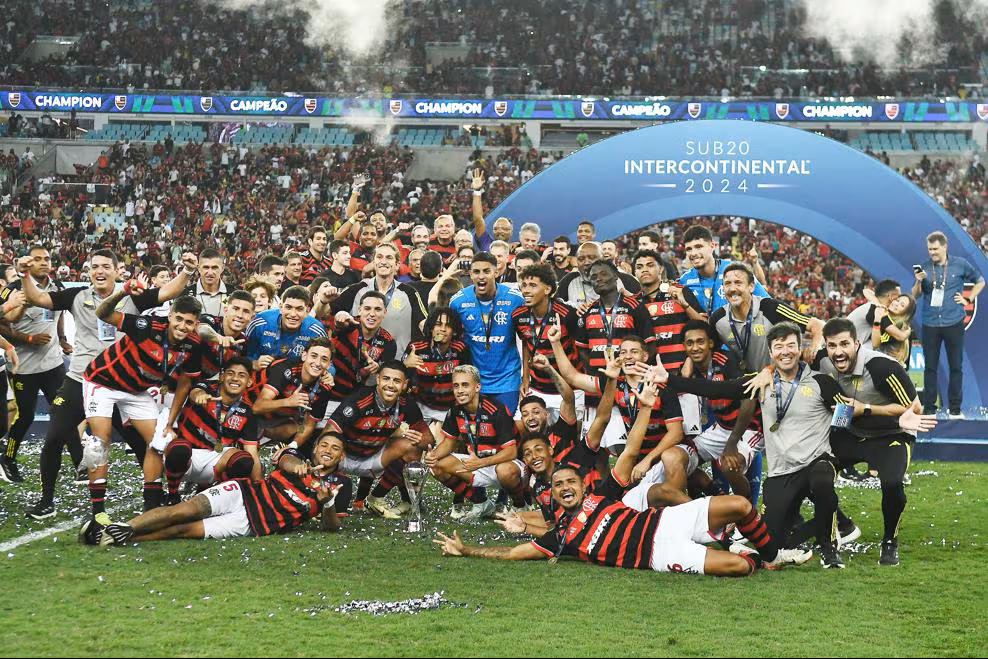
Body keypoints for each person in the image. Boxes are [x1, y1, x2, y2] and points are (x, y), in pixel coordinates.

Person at [661, 322, 935, 569]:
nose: (785, 351)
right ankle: (836, 528)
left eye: (791, 345)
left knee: (825, 480)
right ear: (770, 353)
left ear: (799, 348)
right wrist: (668, 379)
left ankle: (831, 547)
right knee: (774, 544)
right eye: (779, 347)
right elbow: (716, 389)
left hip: (820, 460)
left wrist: (893, 417)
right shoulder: (761, 383)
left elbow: (847, 412)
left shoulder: (821, 381)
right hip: (782, 471)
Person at [23, 250, 194, 519]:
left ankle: (155, 497)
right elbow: (38, 298)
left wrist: (187, 272)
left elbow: (167, 292)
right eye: (94, 267)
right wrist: (24, 274)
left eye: (105, 266)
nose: (99, 271)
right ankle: (46, 500)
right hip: (81, 378)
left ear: (117, 270)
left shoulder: (133, 295)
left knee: (146, 444)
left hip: (124, 383)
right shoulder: (76, 295)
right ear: (88, 271)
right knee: (55, 437)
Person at [435, 463, 782, 578]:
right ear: (553, 494)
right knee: (739, 567)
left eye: (570, 482)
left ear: (583, 486)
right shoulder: (560, 537)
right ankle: (748, 554)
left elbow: (626, 454)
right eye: (558, 485)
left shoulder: (602, 496)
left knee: (739, 504)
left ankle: (770, 556)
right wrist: (467, 550)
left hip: (665, 521)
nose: (565, 488)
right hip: (657, 555)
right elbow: (513, 553)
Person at [85, 435, 349, 545]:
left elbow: (332, 526)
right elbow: (285, 460)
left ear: (341, 457)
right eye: (324, 445)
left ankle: (119, 537)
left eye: (335, 448)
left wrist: (326, 503)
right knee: (183, 511)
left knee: (183, 530)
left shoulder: (340, 484)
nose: (328, 450)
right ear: (315, 448)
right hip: (243, 492)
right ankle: (128, 526)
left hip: (254, 523)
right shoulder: (297, 458)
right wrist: (298, 468)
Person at [815, 318, 926, 565]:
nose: (838, 351)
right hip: (851, 432)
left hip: (891, 434)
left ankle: (890, 541)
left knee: (892, 482)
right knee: (814, 473)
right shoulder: (822, 361)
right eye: (832, 345)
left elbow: (915, 408)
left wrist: (865, 408)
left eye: (844, 344)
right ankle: (840, 528)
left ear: (856, 343)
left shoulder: (882, 367)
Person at [86, 292, 206, 514]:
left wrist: (169, 422)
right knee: (99, 443)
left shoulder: (194, 344)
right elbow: (103, 314)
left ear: (196, 324)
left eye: (189, 322)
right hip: (102, 382)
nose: (182, 326)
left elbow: (184, 383)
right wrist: (123, 291)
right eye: (179, 319)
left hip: (136, 391)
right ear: (170, 316)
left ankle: (151, 505)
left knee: (158, 442)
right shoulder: (147, 326)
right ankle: (98, 513)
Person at [324, 360, 433, 518]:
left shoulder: (407, 405)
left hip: (374, 456)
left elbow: (429, 440)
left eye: (397, 381)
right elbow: (329, 433)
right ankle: (320, 495)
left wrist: (419, 439)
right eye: (386, 379)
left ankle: (375, 498)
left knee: (413, 447)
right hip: (343, 458)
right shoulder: (359, 400)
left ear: (404, 384)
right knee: (325, 446)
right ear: (378, 379)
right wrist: (332, 456)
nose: (390, 385)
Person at [0, 246, 68, 482]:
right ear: (27, 262)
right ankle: (8, 458)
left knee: (63, 411)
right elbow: (1, 324)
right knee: (26, 416)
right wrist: (28, 339)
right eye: (37, 259)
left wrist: (63, 339)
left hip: (53, 364)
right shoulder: (12, 290)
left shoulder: (57, 287)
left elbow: (59, 315)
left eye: (46, 259)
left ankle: (78, 462)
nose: (43, 263)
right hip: (24, 367)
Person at [154, 357, 260, 504]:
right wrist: (199, 396)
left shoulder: (247, 411)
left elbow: (252, 452)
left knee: (244, 460)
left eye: (242, 375)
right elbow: (195, 391)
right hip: (187, 455)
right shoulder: (207, 388)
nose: (235, 378)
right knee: (180, 448)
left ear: (249, 382)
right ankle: (173, 495)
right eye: (230, 373)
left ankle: (206, 492)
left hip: (213, 458)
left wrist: (258, 487)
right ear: (222, 377)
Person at [426, 365, 525, 520]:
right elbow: (449, 443)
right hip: (477, 462)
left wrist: (481, 463)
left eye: (465, 385)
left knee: (505, 471)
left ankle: (520, 505)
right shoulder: (455, 410)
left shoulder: (496, 410)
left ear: (477, 387)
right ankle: (481, 503)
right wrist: (432, 456)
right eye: (456, 386)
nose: (460, 390)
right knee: (437, 466)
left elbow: (511, 452)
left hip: (505, 463)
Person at [911, 230, 984, 417]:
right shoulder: (925, 267)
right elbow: (915, 295)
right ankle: (929, 408)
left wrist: (968, 299)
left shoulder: (960, 264)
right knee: (930, 367)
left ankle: (955, 409)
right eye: (929, 249)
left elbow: (980, 281)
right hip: (930, 323)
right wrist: (918, 283)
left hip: (954, 322)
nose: (932, 253)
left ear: (945, 247)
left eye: (935, 249)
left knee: (956, 367)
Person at [448, 252, 526, 414]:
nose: (481, 276)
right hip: (473, 381)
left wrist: (526, 378)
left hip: (507, 380)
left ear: (496, 272)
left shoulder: (516, 300)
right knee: (478, 426)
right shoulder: (458, 302)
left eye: (486, 271)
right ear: (470, 274)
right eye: (476, 272)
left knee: (503, 424)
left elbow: (527, 340)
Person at [710, 263, 823, 371]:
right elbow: (708, 348)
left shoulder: (770, 308)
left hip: (778, 377)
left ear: (751, 287)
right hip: (744, 380)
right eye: (727, 284)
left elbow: (818, 325)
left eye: (738, 283)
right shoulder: (718, 319)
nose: (732, 289)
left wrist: (813, 348)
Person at [513, 263, 582, 420]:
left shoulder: (567, 314)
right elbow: (526, 344)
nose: (526, 290)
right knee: (521, 426)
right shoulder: (518, 315)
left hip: (570, 388)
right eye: (524, 285)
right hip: (538, 387)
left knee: (570, 431)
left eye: (532, 285)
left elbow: (581, 350)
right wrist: (525, 378)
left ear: (548, 289)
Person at [332, 243, 427, 357]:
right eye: (379, 257)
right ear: (374, 262)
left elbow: (424, 325)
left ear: (397, 265)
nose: (383, 261)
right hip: (360, 363)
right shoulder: (357, 289)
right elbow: (328, 312)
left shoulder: (409, 293)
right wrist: (325, 303)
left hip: (396, 364)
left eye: (389, 258)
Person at [250, 337, 335, 449]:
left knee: (297, 428)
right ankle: (251, 433)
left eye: (324, 359)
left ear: (329, 364)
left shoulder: (325, 387)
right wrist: (288, 402)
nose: (318, 363)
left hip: (275, 417)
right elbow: (257, 407)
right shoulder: (285, 369)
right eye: (314, 356)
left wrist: (292, 447)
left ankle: (262, 435)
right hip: (248, 407)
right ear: (304, 356)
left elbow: (308, 425)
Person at [326, 291, 397, 416]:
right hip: (329, 395)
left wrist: (378, 369)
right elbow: (338, 323)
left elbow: (383, 379)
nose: (372, 314)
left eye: (378, 309)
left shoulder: (388, 342)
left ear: (385, 312)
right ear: (359, 310)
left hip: (357, 403)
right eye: (367, 308)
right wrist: (339, 317)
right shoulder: (349, 324)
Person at [633, 249, 704, 372]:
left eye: (650, 265)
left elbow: (703, 325)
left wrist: (690, 360)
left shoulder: (680, 291)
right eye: (639, 267)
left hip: (683, 370)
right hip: (650, 373)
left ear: (661, 269)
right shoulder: (634, 303)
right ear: (635, 272)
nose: (644, 270)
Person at [678, 225, 768, 318]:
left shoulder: (737, 270)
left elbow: (767, 303)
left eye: (699, 247)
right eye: (689, 249)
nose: (693, 253)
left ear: (712, 246)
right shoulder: (684, 281)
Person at [403, 306, 471, 426]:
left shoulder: (460, 349)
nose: (443, 329)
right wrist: (405, 365)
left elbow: (468, 380)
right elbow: (400, 381)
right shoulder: (416, 348)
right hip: (421, 407)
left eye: (448, 326)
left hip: (449, 409)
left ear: (454, 331)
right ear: (431, 328)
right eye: (438, 324)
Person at [244, 286, 327, 370]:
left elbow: (328, 364)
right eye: (288, 307)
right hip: (262, 374)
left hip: (298, 375)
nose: (293, 314)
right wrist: (254, 363)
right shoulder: (260, 322)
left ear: (307, 311)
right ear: (280, 307)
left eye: (299, 309)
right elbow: (242, 356)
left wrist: (326, 374)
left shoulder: (316, 330)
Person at [557, 242, 640, 307]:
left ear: (602, 259)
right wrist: (572, 310)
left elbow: (641, 305)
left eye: (592, 258)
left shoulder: (625, 279)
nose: (586, 262)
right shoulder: (569, 281)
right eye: (581, 259)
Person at [848, 279, 901, 346]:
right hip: (845, 347)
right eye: (898, 296)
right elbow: (899, 336)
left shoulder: (874, 304)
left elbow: (867, 291)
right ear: (891, 297)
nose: (899, 299)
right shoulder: (876, 310)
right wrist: (907, 332)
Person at [871, 293, 916, 365]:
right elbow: (867, 292)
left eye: (902, 305)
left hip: (887, 365)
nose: (896, 304)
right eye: (897, 300)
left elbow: (875, 344)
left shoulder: (899, 325)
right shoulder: (885, 314)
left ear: (905, 313)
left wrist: (878, 319)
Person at [185, 248, 228, 316]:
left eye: (214, 268)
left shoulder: (233, 293)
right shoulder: (186, 295)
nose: (210, 272)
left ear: (222, 268)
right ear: (198, 268)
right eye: (206, 267)